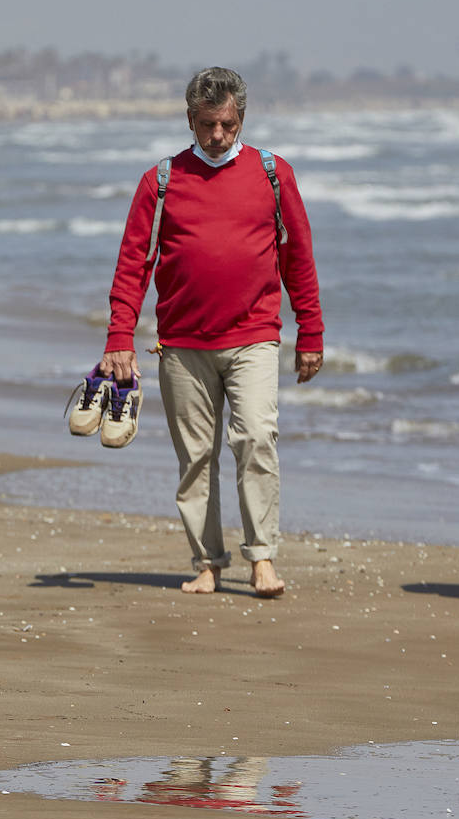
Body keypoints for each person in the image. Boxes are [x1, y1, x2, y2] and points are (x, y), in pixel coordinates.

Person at [100, 67, 324, 597]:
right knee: (196, 457)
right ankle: (207, 563)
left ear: (240, 117)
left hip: (254, 336)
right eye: (206, 125)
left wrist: (310, 331)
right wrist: (118, 339)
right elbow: (133, 262)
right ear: (190, 121)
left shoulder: (274, 173)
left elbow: (299, 258)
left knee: (255, 440)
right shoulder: (160, 180)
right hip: (181, 344)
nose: (217, 136)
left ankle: (262, 558)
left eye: (225, 124)